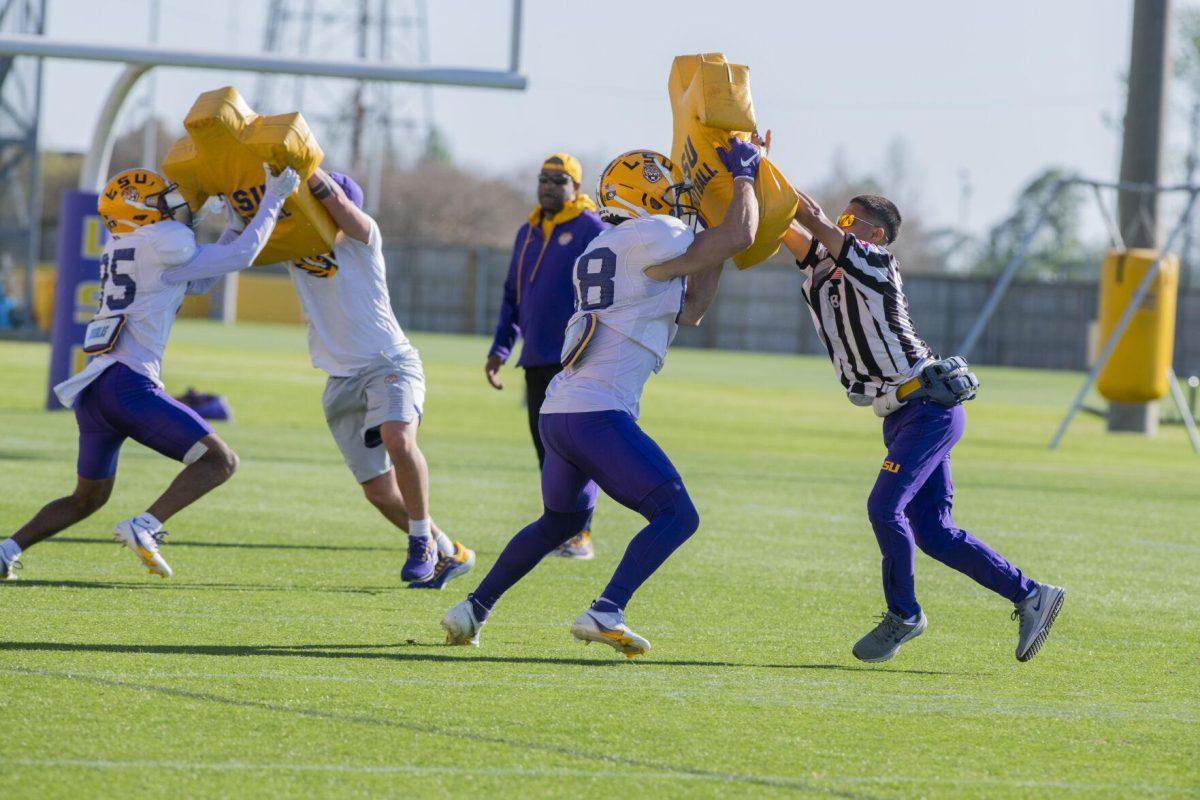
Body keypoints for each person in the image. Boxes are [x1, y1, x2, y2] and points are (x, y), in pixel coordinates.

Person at [442, 140, 761, 657]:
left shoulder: (607, 244)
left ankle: (472, 609)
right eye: (668, 190)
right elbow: (741, 234)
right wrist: (743, 177)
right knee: (678, 515)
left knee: (561, 522)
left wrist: (713, 236)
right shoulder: (652, 234)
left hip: (560, 412)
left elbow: (695, 306)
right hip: (596, 413)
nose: (677, 201)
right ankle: (606, 609)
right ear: (644, 195)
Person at [776, 163, 1065, 663]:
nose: (839, 228)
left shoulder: (876, 263)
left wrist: (781, 187)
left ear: (875, 234)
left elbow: (815, 221)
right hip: (902, 415)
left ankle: (904, 614)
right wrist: (748, 181)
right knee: (932, 529)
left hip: (929, 405)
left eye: (851, 221)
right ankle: (1032, 595)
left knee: (883, 507)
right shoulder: (827, 269)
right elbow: (788, 227)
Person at [0, 164, 300, 580]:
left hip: (96, 389)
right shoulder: (165, 240)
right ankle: (146, 525)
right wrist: (274, 198)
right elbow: (241, 257)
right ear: (140, 211)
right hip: (129, 385)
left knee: (87, 498)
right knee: (220, 461)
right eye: (161, 202)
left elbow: (199, 279)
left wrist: (234, 223)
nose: (172, 207)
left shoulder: (122, 242)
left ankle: (7, 548)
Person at [289, 168, 474, 589]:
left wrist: (301, 164)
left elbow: (338, 207)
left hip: (388, 362)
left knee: (398, 437)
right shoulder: (295, 245)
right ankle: (450, 552)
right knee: (377, 492)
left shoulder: (363, 236)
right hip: (339, 379)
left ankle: (420, 542)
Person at [485, 154, 607, 559]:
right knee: (547, 450)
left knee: (577, 450)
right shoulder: (528, 231)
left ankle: (581, 534)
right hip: (535, 358)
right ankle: (561, 528)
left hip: (576, 359)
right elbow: (512, 296)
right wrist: (501, 347)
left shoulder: (593, 228)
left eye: (559, 180)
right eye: (544, 179)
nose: (550, 186)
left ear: (576, 187)